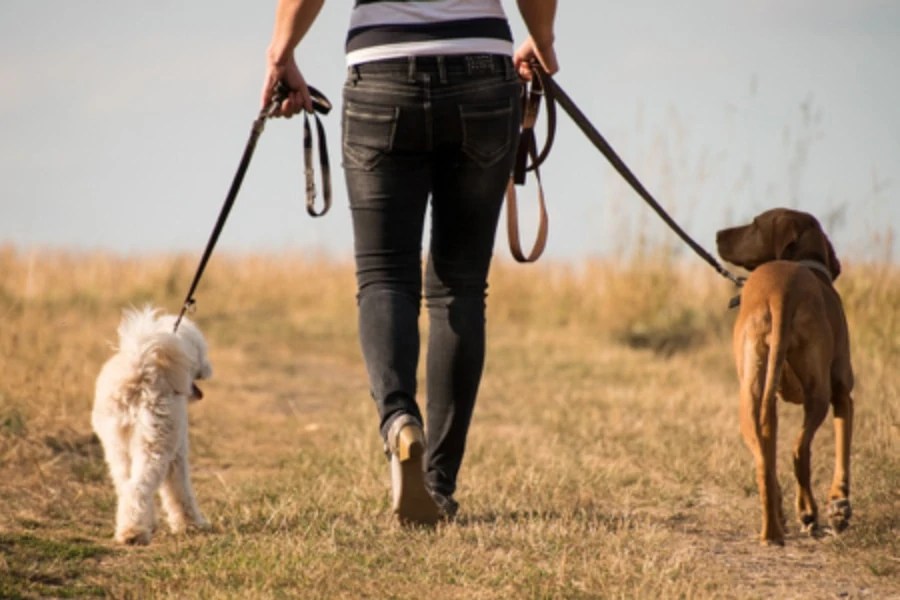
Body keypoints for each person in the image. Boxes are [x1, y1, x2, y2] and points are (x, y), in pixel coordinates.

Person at [262, 0, 558, 526]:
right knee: (460, 287)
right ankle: (438, 486)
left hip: (382, 70)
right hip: (482, 71)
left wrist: (282, 49)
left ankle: (400, 419)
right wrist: (543, 37)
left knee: (384, 276)